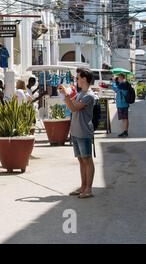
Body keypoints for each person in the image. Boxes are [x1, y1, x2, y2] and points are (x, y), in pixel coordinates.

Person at [59, 68, 95, 199]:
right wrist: (66, 95)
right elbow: (71, 106)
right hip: (75, 131)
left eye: (78, 78)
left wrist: (66, 96)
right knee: (81, 160)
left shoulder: (88, 96)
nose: (76, 80)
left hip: (84, 132)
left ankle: (88, 188)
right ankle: (83, 186)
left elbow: (73, 107)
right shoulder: (81, 94)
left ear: (84, 79)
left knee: (87, 159)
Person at [112, 73, 129, 137]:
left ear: (121, 77)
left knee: (125, 118)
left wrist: (113, 82)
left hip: (123, 104)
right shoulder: (123, 84)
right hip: (122, 103)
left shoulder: (123, 84)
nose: (118, 79)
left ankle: (125, 132)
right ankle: (125, 131)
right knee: (124, 118)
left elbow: (115, 89)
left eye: (118, 77)